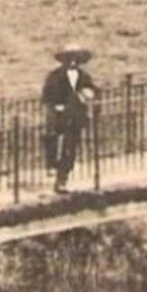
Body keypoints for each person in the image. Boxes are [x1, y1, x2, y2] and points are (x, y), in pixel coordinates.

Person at [41, 44, 97, 193]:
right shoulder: (54, 77)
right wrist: (55, 106)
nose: (72, 62)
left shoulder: (84, 76)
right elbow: (46, 96)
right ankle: (56, 173)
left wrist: (87, 94)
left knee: (70, 150)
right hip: (59, 118)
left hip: (76, 118)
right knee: (57, 146)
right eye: (69, 58)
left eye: (75, 58)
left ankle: (62, 180)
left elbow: (92, 91)